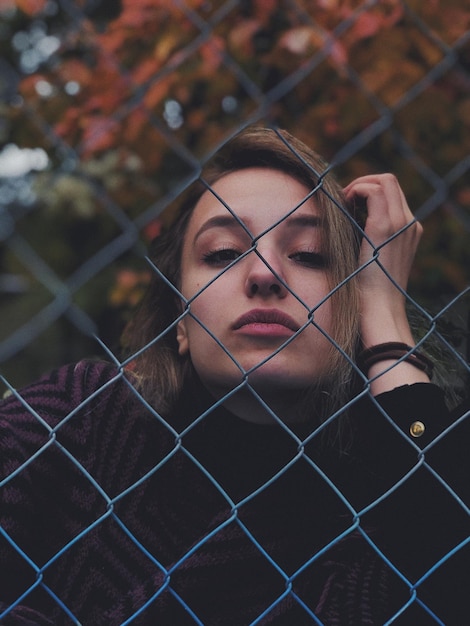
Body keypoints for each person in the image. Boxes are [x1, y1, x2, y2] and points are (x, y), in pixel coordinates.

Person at [0, 126, 468, 625]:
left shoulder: (393, 491)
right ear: (180, 319)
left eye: (309, 255)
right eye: (223, 253)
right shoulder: (84, 416)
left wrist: (386, 324)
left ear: (351, 306)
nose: (265, 273)